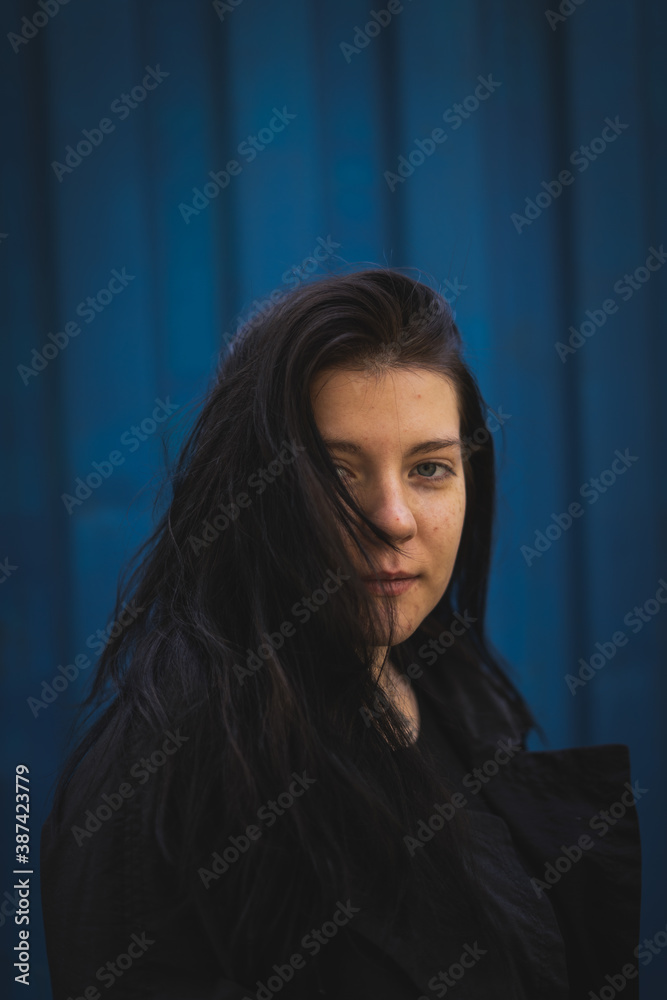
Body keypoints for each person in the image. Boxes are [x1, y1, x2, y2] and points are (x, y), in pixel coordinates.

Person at [40, 268, 642, 999]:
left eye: (428, 468)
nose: (392, 518)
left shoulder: (447, 691)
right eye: (335, 472)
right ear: (250, 493)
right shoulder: (170, 776)